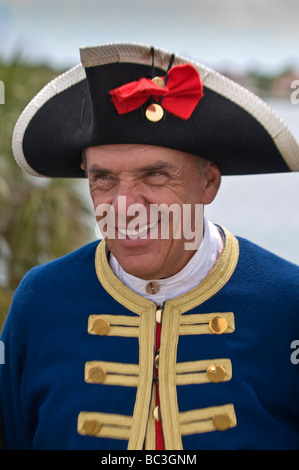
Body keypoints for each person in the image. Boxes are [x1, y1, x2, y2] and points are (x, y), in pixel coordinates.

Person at [0, 42, 298, 450]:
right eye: (103, 179)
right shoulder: (39, 300)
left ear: (208, 182)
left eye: (155, 176)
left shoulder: (290, 302)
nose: (125, 206)